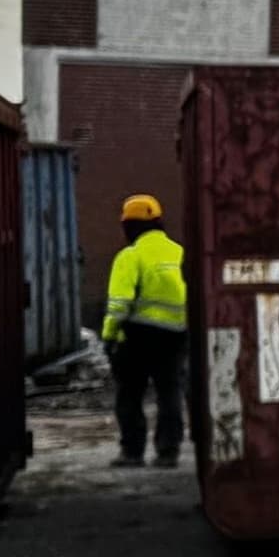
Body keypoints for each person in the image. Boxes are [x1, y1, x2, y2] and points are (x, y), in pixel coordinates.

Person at [102, 192, 190, 468]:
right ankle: (168, 450)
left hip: (138, 336)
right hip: (175, 335)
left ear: (129, 226)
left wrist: (109, 336)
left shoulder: (130, 256)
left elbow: (119, 304)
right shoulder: (179, 252)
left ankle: (132, 451)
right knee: (169, 391)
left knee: (129, 394)